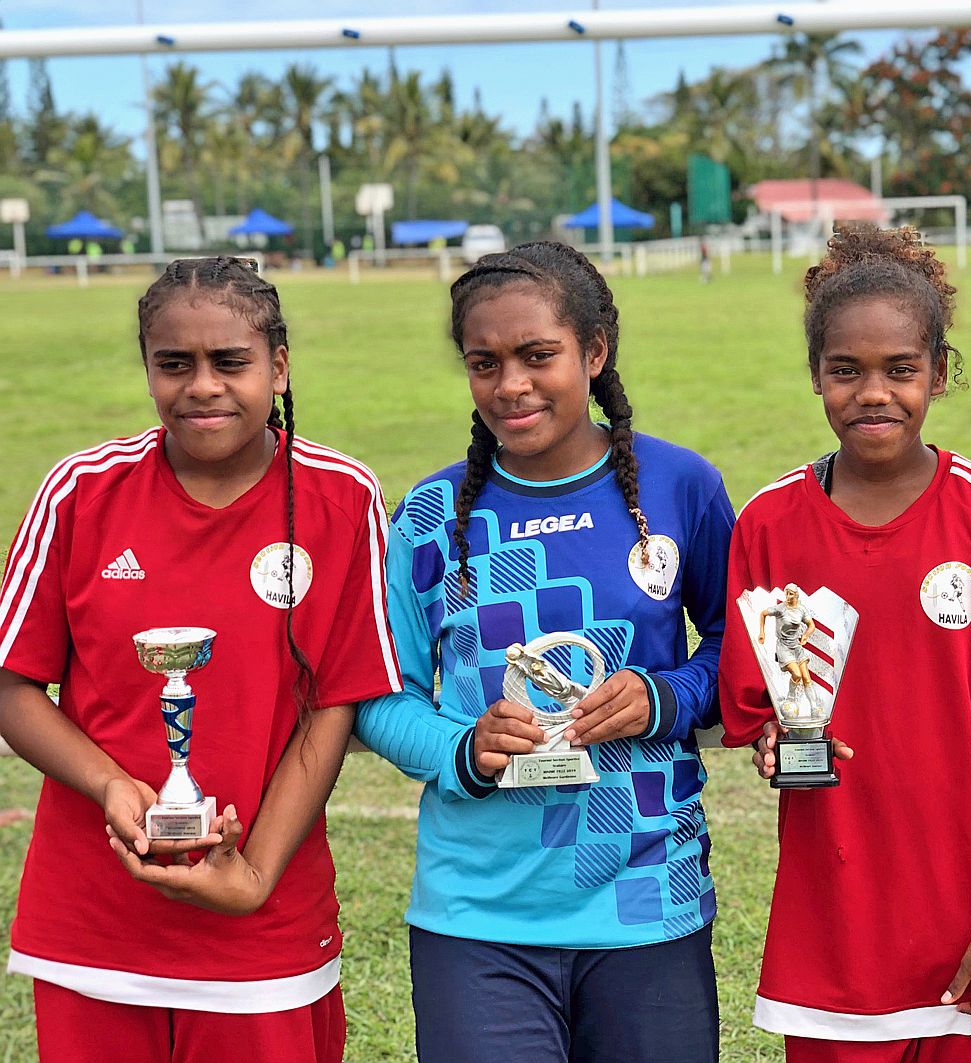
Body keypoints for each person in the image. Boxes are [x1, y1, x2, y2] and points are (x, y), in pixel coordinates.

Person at [0, 256, 400, 1062]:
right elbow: (10, 683)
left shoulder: (340, 496)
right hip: (94, 923)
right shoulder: (80, 491)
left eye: (232, 361)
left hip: (264, 932)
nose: (203, 386)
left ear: (279, 366)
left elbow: (333, 703)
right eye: (174, 363)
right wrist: (112, 782)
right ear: (147, 368)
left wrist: (252, 874)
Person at [354, 240, 733, 1063]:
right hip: (477, 915)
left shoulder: (680, 487)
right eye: (483, 362)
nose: (510, 385)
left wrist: (661, 695)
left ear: (594, 353)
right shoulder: (428, 514)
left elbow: (739, 649)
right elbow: (383, 695)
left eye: (537, 356)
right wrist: (463, 747)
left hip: (645, 893)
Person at [719, 224, 971, 1063]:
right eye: (846, 370)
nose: (873, 393)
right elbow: (759, 708)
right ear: (815, 376)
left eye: (899, 370)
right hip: (834, 924)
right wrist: (773, 741)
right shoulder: (769, 522)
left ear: (937, 374)